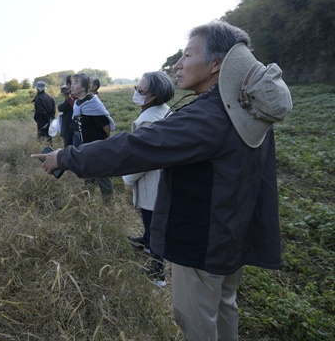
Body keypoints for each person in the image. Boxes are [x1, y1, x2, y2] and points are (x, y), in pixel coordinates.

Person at [33, 20, 293, 340]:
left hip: (204, 239)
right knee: (224, 306)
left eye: (186, 55)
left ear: (216, 64)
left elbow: (136, 147)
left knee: (195, 321)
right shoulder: (246, 108)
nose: (178, 64)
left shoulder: (209, 117)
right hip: (232, 231)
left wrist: (66, 157)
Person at [122, 71, 175, 287]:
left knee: (154, 223)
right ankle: (145, 241)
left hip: (153, 181)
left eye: (141, 90)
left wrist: (128, 179)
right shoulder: (164, 111)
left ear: (153, 95)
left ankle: (157, 272)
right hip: (164, 177)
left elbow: (142, 159)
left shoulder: (147, 121)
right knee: (151, 221)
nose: (136, 93)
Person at [69, 72, 115, 198]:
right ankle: (88, 201)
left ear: (84, 87)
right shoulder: (78, 103)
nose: (72, 86)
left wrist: (103, 143)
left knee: (102, 176)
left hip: (97, 146)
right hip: (85, 146)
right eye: (72, 83)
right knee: (88, 175)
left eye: (75, 83)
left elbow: (105, 126)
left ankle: (109, 205)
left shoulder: (92, 103)